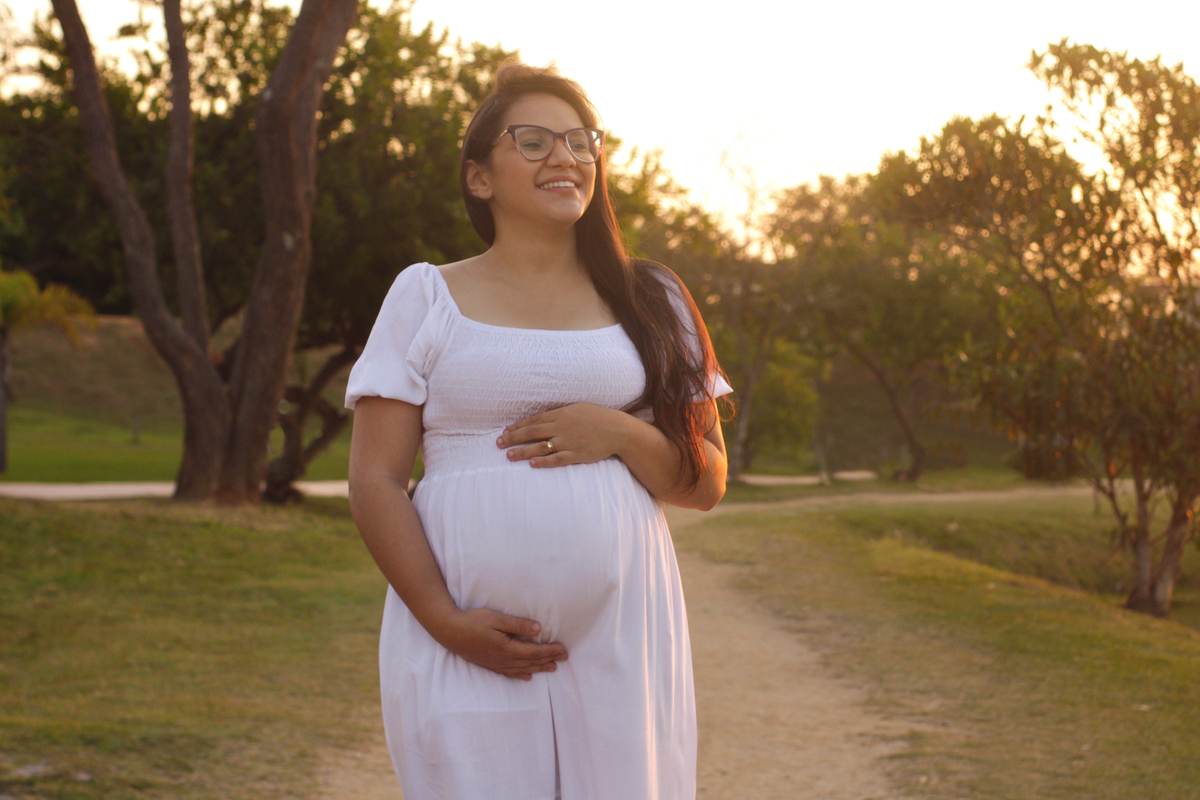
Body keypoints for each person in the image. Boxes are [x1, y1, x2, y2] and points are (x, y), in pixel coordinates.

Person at [344, 62, 733, 800]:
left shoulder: (653, 297)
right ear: (479, 178)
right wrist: (442, 617)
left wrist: (618, 432)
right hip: (461, 633)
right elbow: (374, 477)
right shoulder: (425, 295)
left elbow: (706, 481)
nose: (566, 156)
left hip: (620, 635)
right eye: (533, 141)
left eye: (581, 140)